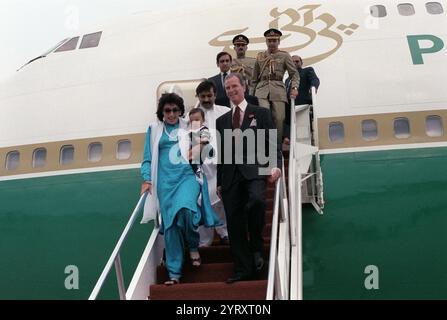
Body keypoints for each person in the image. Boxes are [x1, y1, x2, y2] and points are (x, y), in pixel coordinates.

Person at [140, 93, 221, 285]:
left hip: (187, 176)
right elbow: (147, 158)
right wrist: (147, 179)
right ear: (161, 112)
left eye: (175, 110)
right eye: (167, 110)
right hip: (165, 183)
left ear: (180, 111)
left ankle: (193, 245)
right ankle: (174, 274)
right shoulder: (153, 129)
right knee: (171, 226)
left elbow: (205, 136)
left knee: (186, 210)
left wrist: (201, 144)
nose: (171, 114)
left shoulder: (187, 126)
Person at [216, 73, 282, 283]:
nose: (231, 90)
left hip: (255, 170)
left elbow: (272, 143)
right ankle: (243, 269)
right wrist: (219, 181)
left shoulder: (260, 113)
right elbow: (222, 152)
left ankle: (256, 244)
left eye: (234, 86)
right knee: (234, 224)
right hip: (230, 176)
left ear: (244, 87)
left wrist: (276, 166)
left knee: (257, 202)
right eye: (227, 88)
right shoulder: (222, 121)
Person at [192, 80, 231, 247]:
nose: (206, 99)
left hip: (222, 165)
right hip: (201, 166)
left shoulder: (225, 112)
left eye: (209, 95)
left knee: (221, 202)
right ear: (198, 97)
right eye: (203, 96)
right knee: (202, 202)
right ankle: (205, 241)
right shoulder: (192, 116)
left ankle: (224, 233)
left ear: (215, 95)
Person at [251, 28, 299, 144]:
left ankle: (276, 146)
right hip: (261, 90)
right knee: (264, 114)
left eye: (274, 40)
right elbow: (254, 79)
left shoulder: (285, 56)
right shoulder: (260, 56)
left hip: (278, 90)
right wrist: (251, 96)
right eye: (269, 40)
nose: (272, 43)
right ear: (266, 42)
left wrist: (294, 88)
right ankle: (265, 144)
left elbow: (294, 74)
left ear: (278, 42)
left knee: (279, 118)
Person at [284, 55, 320, 142]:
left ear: (301, 63)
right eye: (292, 62)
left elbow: (315, 80)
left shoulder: (307, 71)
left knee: (303, 133)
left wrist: (313, 87)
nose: (295, 63)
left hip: (302, 104)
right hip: (289, 106)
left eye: (297, 61)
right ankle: (287, 137)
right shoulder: (287, 79)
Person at [188, 108, 212, 177]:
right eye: (192, 121)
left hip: (203, 150)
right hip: (194, 151)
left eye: (197, 120)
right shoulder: (191, 131)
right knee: (192, 162)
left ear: (203, 120)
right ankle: (196, 170)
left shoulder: (204, 129)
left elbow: (205, 139)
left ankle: (198, 170)